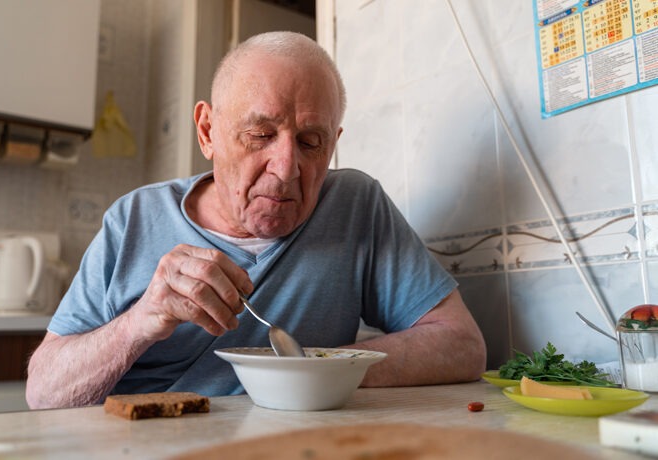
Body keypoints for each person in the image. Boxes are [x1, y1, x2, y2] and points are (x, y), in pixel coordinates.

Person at [26, 31, 486, 409]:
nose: (286, 169)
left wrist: (316, 367)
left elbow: (462, 346)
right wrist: (142, 320)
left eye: (310, 143)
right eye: (260, 135)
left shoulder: (354, 205)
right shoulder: (133, 219)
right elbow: (43, 392)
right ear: (208, 132)